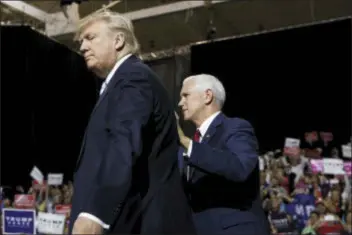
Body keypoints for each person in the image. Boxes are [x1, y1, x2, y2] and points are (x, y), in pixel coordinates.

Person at [70, 10, 195, 234]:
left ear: (118, 41)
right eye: (81, 41)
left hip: (142, 223)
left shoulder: (134, 78)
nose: (82, 47)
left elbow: (124, 142)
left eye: (90, 38)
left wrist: (96, 212)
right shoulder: (121, 82)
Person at [176, 74, 269, 235]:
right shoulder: (190, 146)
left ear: (207, 96)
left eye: (186, 95)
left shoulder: (235, 128)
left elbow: (240, 167)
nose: (180, 103)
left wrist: (185, 142)